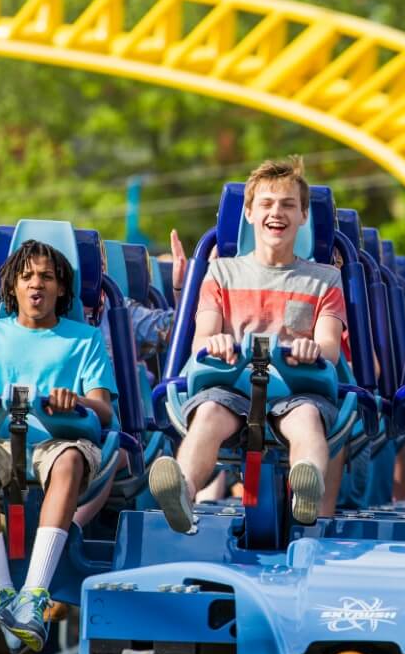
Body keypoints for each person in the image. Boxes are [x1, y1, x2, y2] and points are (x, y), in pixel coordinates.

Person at [148, 157, 347, 530]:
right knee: (207, 415)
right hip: (232, 384)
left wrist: (312, 350)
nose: (277, 213)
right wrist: (218, 340)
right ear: (250, 214)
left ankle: (306, 488)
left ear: (304, 215)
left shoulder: (324, 278)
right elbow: (202, 338)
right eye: (267, 204)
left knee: (306, 421)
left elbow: (330, 346)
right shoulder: (221, 271)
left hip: (296, 385)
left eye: (289, 205)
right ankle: (183, 490)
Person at [0, 240, 117, 654]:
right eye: (27, 277)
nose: (36, 284)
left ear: (61, 288)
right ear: (13, 288)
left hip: (58, 441)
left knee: (71, 460)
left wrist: (74, 401)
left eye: (46, 277)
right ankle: (5, 594)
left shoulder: (85, 339)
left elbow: (104, 411)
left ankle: (34, 594)